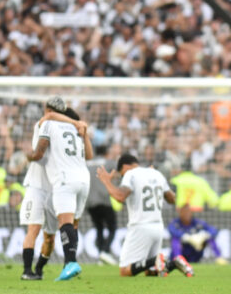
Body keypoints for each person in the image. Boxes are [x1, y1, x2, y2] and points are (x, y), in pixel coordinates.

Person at [26, 97, 93, 281]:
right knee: (74, 224)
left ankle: (71, 263)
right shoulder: (76, 129)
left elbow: (39, 153)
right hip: (84, 180)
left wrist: (29, 156)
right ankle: (68, 264)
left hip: (64, 179)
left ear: (49, 111)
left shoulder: (49, 123)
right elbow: (90, 155)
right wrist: (82, 128)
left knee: (65, 223)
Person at [96, 154, 191, 277]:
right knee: (150, 271)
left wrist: (106, 181)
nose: (123, 177)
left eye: (122, 174)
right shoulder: (157, 174)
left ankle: (155, 260)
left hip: (140, 226)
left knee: (125, 271)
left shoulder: (130, 174)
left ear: (125, 167)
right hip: (158, 227)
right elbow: (172, 199)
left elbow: (120, 196)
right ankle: (174, 263)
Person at [86, 145, 118, 265]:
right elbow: (118, 172)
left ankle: (101, 256)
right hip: (104, 200)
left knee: (99, 228)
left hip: (90, 202)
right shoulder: (108, 162)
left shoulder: (87, 164)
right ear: (106, 152)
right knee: (112, 228)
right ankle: (105, 251)